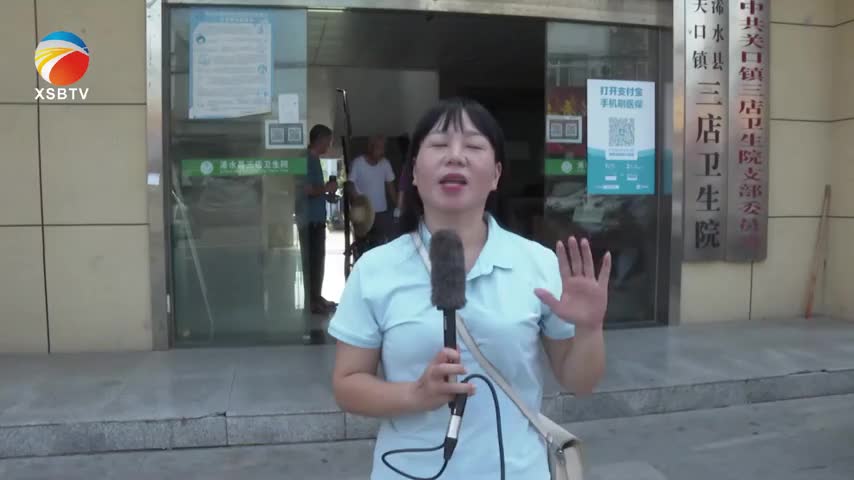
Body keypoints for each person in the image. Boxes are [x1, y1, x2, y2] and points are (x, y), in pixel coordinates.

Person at [328, 98, 610, 479]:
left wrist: (590, 330)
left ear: (495, 175)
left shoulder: (537, 263)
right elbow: (347, 384)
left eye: (474, 146)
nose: (455, 156)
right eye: (439, 144)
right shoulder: (374, 270)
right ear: (413, 172)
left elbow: (580, 381)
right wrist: (415, 395)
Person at [296, 124, 338, 317]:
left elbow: (315, 190)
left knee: (318, 261)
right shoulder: (305, 160)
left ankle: (317, 297)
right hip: (309, 221)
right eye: (328, 141)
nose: (329, 146)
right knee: (312, 263)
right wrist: (326, 188)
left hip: (317, 219)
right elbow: (307, 190)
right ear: (319, 140)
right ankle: (312, 302)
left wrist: (327, 193)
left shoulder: (314, 160)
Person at [347, 135, 397, 247]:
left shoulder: (385, 164)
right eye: (379, 148)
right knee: (362, 246)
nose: (382, 152)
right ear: (370, 147)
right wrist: (360, 201)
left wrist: (399, 206)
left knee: (379, 246)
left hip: (381, 215)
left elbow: (391, 188)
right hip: (363, 214)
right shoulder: (358, 163)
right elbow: (350, 184)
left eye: (383, 148)